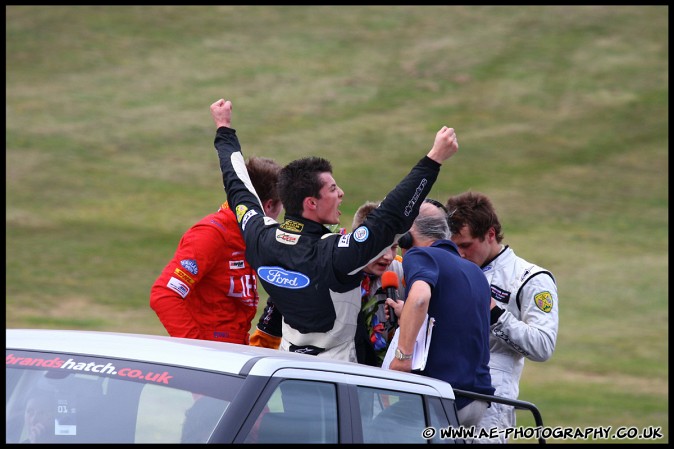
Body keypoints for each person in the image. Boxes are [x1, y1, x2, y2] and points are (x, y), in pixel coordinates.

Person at [210, 97, 459, 362]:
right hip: (337, 376)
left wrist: (224, 130)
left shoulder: (261, 237)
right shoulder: (334, 253)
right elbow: (389, 216)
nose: (341, 193)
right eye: (332, 189)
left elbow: (237, 186)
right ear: (311, 203)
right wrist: (433, 161)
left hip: (287, 370)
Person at [445, 191, 559, 443]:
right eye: (454, 246)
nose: (460, 254)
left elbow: (543, 346)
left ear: (490, 234)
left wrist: (495, 314)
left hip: (492, 399)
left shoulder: (530, 278)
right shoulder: (451, 268)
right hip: (443, 388)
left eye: (465, 245)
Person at [150, 156, 283, 345]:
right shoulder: (211, 235)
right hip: (214, 356)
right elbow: (164, 295)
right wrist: (197, 350)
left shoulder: (247, 235)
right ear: (269, 205)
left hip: (234, 349)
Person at [386, 206, 494, 428]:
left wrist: (402, 357)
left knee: (374, 429)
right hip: (477, 400)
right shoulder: (475, 271)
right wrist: (405, 314)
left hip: (442, 396)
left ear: (407, 235)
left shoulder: (420, 254)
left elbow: (419, 299)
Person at [351, 201, 406, 366]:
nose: (388, 256)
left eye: (394, 247)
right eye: (381, 247)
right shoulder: (337, 268)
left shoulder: (402, 270)